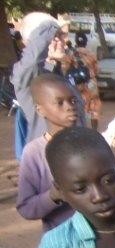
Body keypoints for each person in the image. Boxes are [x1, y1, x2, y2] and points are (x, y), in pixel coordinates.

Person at [16, 72, 81, 230]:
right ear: (40, 110)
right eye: (59, 103)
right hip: (63, 241)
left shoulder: (92, 142)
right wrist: (53, 196)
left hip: (102, 238)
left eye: (73, 100)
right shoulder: (34, 153)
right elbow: (26, 208)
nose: (69, 107)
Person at [12, 13, 85, 148]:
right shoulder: (28, 79)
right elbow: (32, 62)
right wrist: (51, 26)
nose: (63, 41)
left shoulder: (57, 73)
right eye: (56, 36)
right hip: (48, 161)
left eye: (62, 35)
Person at [62, 31, 101, 130]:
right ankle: (94, 131)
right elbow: (97, 70)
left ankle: (82, 130)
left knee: (80, 105)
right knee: (94, 107)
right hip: (91, 84)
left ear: (75, 41)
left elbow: (65, 70)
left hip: (77, 84)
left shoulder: (71, 54)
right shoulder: (91, 54)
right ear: (86, 41)